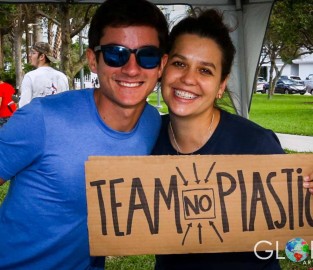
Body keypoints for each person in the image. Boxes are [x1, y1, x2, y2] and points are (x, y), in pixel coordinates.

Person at [0, 0, 168, 269]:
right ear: (93, 60)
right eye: (116, 54)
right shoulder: (42, 118)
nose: (132, 69)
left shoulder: (152, 124)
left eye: (147, 55)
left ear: (161, 65)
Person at [152, 8, 313, 270]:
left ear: (221, 85)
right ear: (163, 66)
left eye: (205, 70)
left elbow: (296, 237)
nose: (188, 78)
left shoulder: (257, 145)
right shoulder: (146, 138)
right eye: (180, 64)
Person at [18, 41, 69, 108]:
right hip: (58, 117)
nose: (30, 55)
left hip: (37, 117)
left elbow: (24, 105)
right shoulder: (62, 76)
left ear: (42, 56)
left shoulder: (30, 76)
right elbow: (66, 102)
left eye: (33, 53)